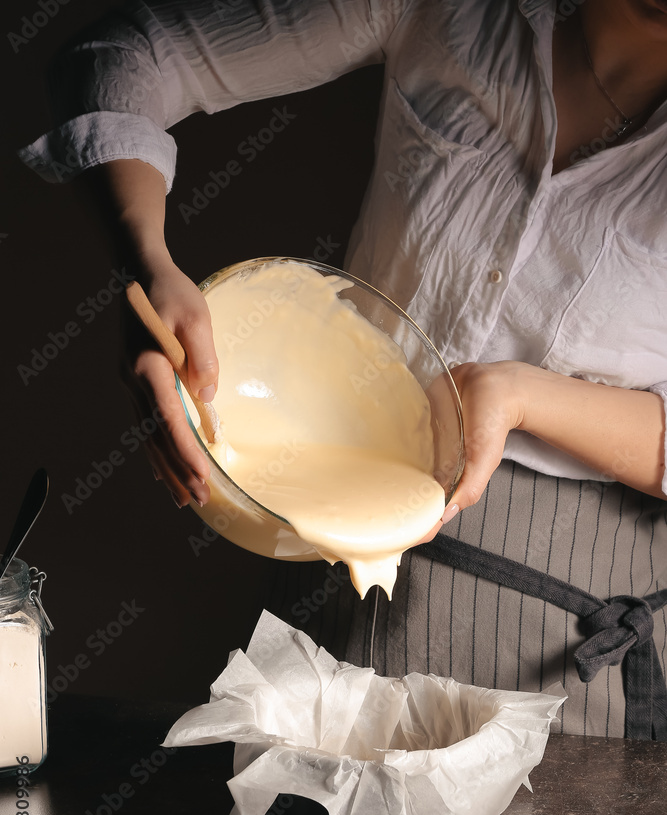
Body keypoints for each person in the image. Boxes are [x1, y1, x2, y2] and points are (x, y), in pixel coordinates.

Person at [19, 0, 667, 738]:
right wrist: (146, 270)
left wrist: (517, 393)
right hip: (338, 539)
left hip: (568, 622)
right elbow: (121, 54)